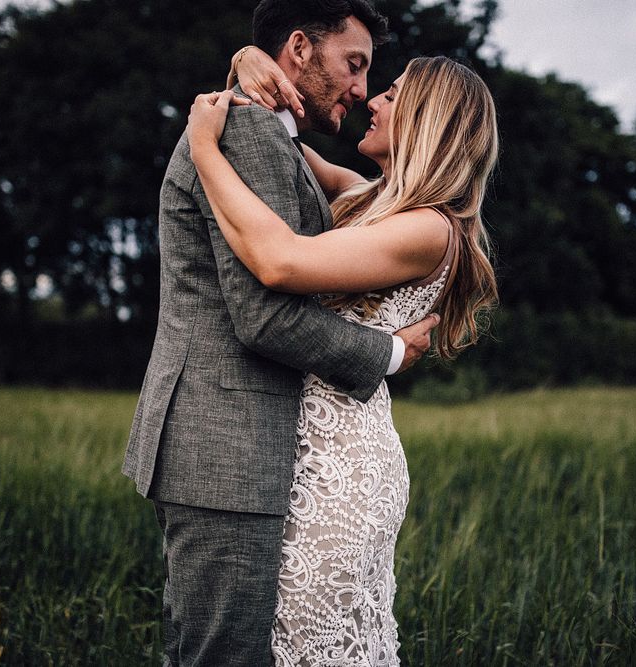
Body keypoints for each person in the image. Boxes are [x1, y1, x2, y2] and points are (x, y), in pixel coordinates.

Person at [122, 1, 440, 665]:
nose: (360, 90)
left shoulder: (275, 138)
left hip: (255, 451)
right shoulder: (248, 132)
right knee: (222, 653)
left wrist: (247, 66)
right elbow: (263, 309)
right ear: (298, 49)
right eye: (354, 66)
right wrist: (389, 351)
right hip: (225, 445)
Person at [186, 50, 499, 664]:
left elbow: (280, 262)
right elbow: (275, 145)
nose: (371, 101)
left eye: (392, 94)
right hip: (298, 453)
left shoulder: (428, 230)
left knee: (308, 644)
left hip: (341, 474)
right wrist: (248, 64)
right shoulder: (372, 199)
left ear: (428, 120)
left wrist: (202, 152)